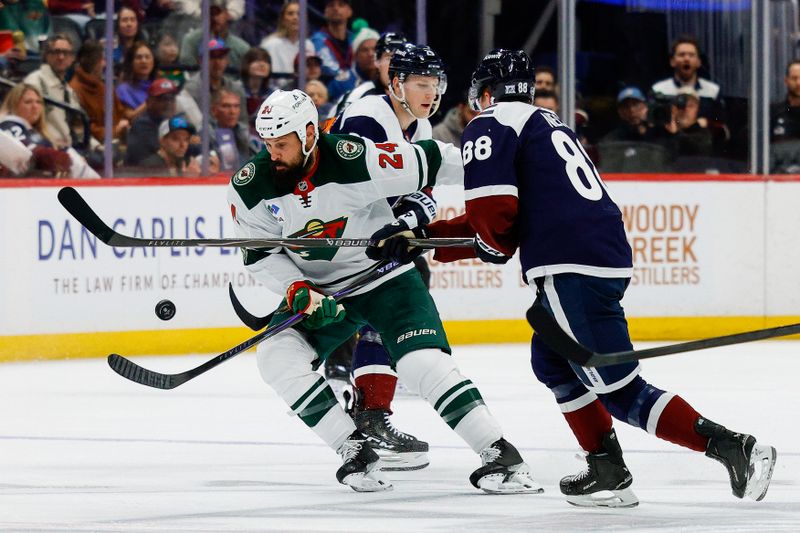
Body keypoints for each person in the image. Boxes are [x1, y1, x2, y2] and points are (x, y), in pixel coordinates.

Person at [373, 49, 777, 507]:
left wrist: (482, 246)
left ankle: (732, 446)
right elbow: (496, 218)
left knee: (620, 391)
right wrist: (421, 235)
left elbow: (496, 222)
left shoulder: (490, 123)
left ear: (485, 93)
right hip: (593, 256)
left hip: (570, 267)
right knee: (552, 362)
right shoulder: (546, 122)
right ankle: (605, 468)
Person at [227, 88, 542, 494]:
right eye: (267, 144)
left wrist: (510, 180)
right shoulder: (251, 187)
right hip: (322, 291)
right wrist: (298, 289)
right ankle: (354, 449)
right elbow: (260, 255)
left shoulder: (356, 157)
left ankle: (500, 454)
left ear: (309, 134)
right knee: (276, 357)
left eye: (282, 144)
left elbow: (439, 161)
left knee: (419, 363)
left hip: (382, 278)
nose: (273, 153)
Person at [328, 44, 457, 470]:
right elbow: (353, 183)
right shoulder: (369, 116)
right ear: (396, 83)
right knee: (371, 314)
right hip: (334, 236)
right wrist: (392, 222)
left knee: (390, 311)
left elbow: (425, 190)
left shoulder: (420, 128)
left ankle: (369, 416)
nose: (431, 92)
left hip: (367, 241)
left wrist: (405, 220)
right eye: (422, 83)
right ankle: (361, 414)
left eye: (435, 83)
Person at [0, 82, 97, 178]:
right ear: (14, 104)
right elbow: (30, 156)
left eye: (38, 102)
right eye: (28, 102)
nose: (35, 107)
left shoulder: (35, 131)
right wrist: (65, 157)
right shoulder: (9, 125)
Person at [23, 34, 86, 149]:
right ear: (47, 56)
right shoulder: (35, 82)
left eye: (66, 53)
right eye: (56, 52)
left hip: (70, 147)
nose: (61, 57)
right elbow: (25, 123)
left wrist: (96, 146)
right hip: (47, 148)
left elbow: (77, 127)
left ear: (72, 59)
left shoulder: (68, 90)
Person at [329, 31, 407, 118]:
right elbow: (332, 129)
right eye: (389, 57)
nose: (395, 64)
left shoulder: (418, 96)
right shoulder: (357, 96)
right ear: (377, 61)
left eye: (401, 58)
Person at [69, 40, 131, 144]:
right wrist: (115, 131)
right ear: (92, 62)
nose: (104, 64)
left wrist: (123, 125)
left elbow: (121, 113)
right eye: (101, 59)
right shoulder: (74, 90)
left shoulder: (104, 87)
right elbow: (83, 129)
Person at [651, 35, 722, 123]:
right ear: (672, 61)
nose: (686, 59)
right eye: (681, 55)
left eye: (691, 55)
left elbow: (721, 124)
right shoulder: (659, 89)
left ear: (698, 62)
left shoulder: (712, 91)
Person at [259, 0, 314, 90]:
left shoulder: (309, 45)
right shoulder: (269, 44)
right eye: (290, 14)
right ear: (283, 19)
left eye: (299, 14)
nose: (295, 17)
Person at [179, 0, 249, 70]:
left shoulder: (242, 48)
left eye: (218, 13)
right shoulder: (190, 41)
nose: (214, 18)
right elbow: (188, 73)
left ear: (227, 15)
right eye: (209, 14)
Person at [124, 77, 178, 166]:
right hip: (140, 176)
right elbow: (169, 150)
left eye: (171, 98)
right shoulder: (141, 125)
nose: (168, 103)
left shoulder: (174, 122)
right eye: (162, 99)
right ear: (149, 102)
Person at [326, 26, 379, 103]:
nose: (371, 54)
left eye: (375, 49)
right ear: (355, 55)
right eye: (365, 50)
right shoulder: (340, 84)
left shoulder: (390, 81)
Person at [138, 114, 202, 176]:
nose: (183, 145)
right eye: (176, 139)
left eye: (186, 139)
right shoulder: (151, 166)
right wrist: (187, 180)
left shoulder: (185, 163)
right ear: (162, 141)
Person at [310, 0, 354, 85]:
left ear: (349, 11)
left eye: (341, 5)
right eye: (331, 5)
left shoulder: (355, 39)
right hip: (328, 90)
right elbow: (328, 68)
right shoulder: (317, 40)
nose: (336, 8)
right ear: (325, 12)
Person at [209, 89, 250, 171]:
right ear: (214, 110)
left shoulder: (245, 132)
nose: (232, 111)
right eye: (226, 106)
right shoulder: (206, 134)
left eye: (236, 106)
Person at [116, 41, 157, 119]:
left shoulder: (159, 84)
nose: (144, 61)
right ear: (131, 62)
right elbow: (130, 117)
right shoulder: (123, 90)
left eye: (147, 57)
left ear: (153, 61)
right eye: (138, 57)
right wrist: (151, 101)